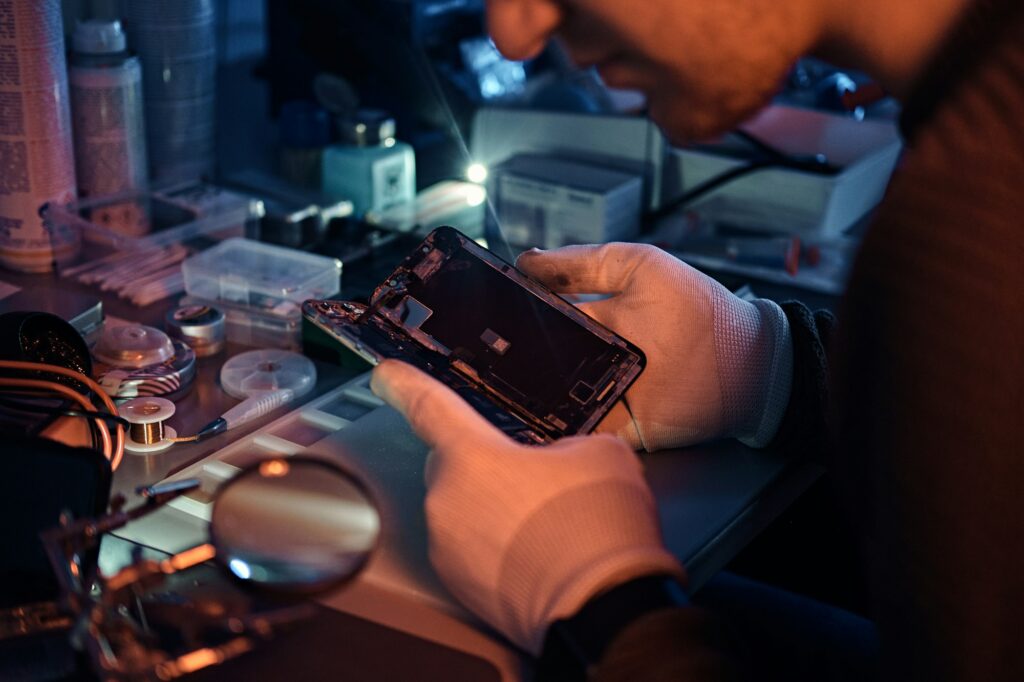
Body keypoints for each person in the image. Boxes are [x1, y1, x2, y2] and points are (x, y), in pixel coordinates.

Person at [370, 0, 1024, 678]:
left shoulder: (983, 215)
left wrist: (606, 607)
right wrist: (777, 370)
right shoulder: (981, 120)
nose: (511, 35)